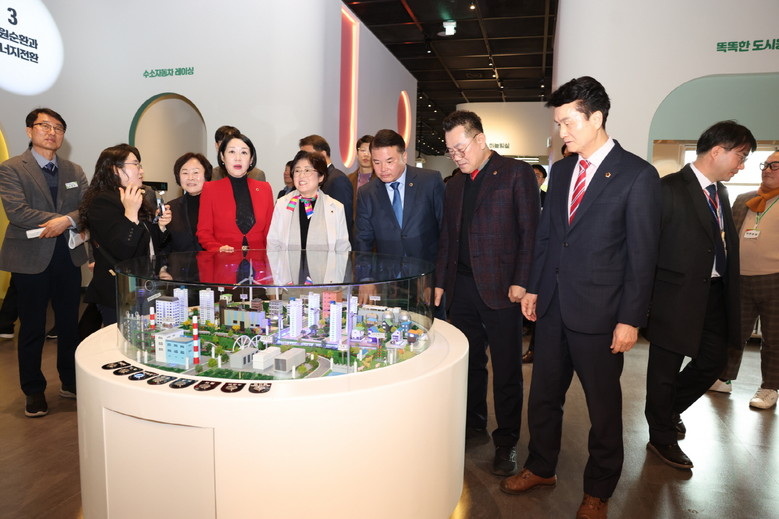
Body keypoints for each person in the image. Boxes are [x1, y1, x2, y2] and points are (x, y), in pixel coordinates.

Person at [501, 77, 661, 519]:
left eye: (568, 122)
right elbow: (548, 237)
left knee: (603, 409)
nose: (562, 132)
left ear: (596, 118)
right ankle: (541, 467)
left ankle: (598, 490)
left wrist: (630, 319)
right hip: (553, 307)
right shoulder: (562, 171)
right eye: (558, 124)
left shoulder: (637, 175)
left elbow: (642, 256)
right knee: (543, 397)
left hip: (602, 315)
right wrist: (535, 287)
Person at [645, 121, 756, 470]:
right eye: (741, 156)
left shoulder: (720, 193)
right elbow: (646, 249)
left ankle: (666, 410)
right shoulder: (667, 189)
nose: (742, 165)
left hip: (715, 294)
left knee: (713, 361)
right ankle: (661, 436)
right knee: (663, 371)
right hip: (673, 296)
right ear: (717, 151)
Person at [433, 110, 539, 477]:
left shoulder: (516, 174)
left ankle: (506, 441)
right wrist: (441, 281)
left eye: (461, 148)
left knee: (507, 368)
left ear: (480, 139)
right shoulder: (454, 185)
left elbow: (531, 233)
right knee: (470, 362)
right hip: (461, 288)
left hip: (502, 289)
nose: (457, 157)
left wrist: (522, 280)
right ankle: (473, 424)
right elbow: (447, 238)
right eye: (451, 151)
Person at [0, 108, 89, 417]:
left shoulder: (74, 170)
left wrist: (66, 221)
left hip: (68, 256)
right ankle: (34, 391)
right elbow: (17, 211)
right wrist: (64, 219)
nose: (52, 132)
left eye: (58, 128)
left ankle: (70, 382)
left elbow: (87, 208)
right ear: (29, 131)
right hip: (30, 258)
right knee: (32, 328)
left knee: (68, 325)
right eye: (45, 126)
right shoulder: (12, 168)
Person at [713, 153, 779, 409]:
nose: (767, 169)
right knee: (734, 332)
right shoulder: (744, 200)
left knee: (774, 338)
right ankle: (724, 377)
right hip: (739, 277)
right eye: (765, 165)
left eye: (775, 166)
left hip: (774, 280)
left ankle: (769, 387)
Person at [80, 144, 172, 326]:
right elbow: (122, 249)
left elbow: (147, 244)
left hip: (143, 286)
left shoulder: (135, 197)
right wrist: (130, 214)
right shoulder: (102, 201)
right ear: (115, 169)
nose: (141, 171)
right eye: (135, 164)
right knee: (122, 340)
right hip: (119, 290)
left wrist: (160, 227)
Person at [355, 129, 444, 314]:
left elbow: (446, 233)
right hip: (388, 284)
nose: (383, 169)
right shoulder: (367, 193)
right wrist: (366, 279)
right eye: (376, 162)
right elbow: (363, 240)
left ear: (404, 156)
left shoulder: (430, 181)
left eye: (390, 161)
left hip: (426, 279)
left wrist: (438, 281)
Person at [198, 133, 274, 252]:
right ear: (222, 157)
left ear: (251, 159)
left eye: (244, 152)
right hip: (224, 260)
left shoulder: (265, 188)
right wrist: (217, 248)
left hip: (259, 260)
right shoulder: (210, 189)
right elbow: (204, 232)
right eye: (232, 152)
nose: (238, 158)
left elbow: (271, 231)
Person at [267, 150, 350, 252]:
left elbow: (342, 248)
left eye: (307, 170)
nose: (301, 176)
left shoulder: (336, 207)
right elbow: (273, 244)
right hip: (287, 262)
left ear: (321, 177)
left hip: (326, 263)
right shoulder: (282, 204)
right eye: (297, 171)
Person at [299, 134, 354, 240]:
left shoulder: (338, 179)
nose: (304, 160)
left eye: (308, 155)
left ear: (323, 154)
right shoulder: (313, 179)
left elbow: (344, 220)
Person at [165, 152, 212, 252]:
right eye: (185, 173)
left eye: (196, 172)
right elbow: (164, 246)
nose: (190, 178)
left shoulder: (218, 205)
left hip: (212, 261)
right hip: (180, 262)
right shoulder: (170, 208)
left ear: (206, 175)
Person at [348, 135, 376, 222]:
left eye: (370, 151)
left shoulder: (381, 180)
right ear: (357, 153)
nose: (366, 155)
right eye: (363, 150)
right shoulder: (348, 179)